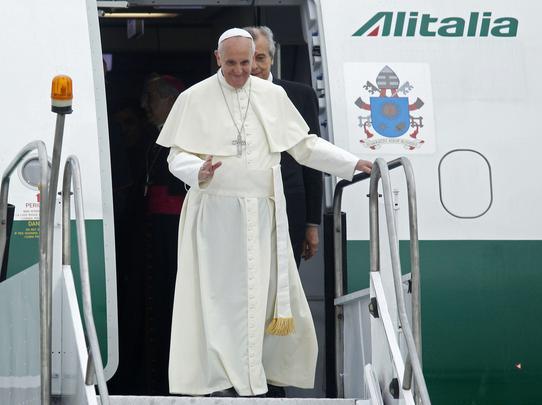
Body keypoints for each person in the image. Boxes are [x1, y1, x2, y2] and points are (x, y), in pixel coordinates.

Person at [156, 28, 372, 397]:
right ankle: (223, 384)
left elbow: (304, 146)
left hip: (262, 218)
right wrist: (199, 172)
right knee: (218, 303)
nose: (241, 72)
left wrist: (352, 164)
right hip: (214, 219)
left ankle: (253, 382)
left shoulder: (273, 96)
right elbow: (176, 156)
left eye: (246, 62)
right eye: (231, 64)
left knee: (259, 301)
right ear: (216, 59)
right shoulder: (194, 98)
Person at [245, 26, 322, 267]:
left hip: (290, 208)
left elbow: (312, 159)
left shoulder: (301, 95)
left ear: (271, 58)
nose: (255, 66)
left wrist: (312, 223)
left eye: (261, 58)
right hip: (243, 209)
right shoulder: (224, 97)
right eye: (249, 59)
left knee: (286, 283)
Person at [140, 74, 187, 395]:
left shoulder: (184, 134)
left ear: (171, 101)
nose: (147, 107)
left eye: (153, 99)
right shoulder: (157, 135)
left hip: (175, 229)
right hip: (155, 227)